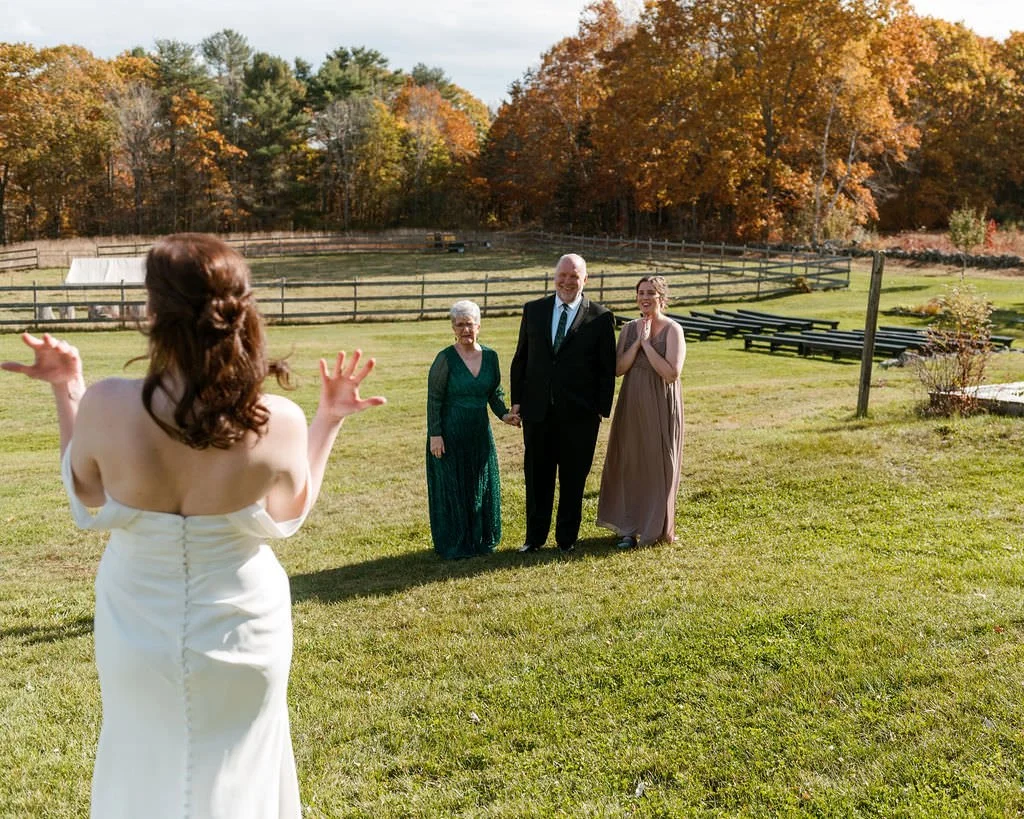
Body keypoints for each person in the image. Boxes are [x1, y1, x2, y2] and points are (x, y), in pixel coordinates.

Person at [1, 233, 385, 819]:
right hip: (245, 627)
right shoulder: (277, 419)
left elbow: (86, 500)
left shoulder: (104, 404)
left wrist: (68, 388)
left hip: (137, 628)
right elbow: (289, 515)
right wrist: (328, 418)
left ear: (154, 314)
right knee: (243, 772)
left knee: (140, 765)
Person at [509, 253, 616, 553]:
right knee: (537, 477)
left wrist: (600, 409)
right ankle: (535, 539)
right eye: (563, 275)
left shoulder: (601, 316)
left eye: (574, 276)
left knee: (573, 480)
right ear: (554, 276)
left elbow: (607, 370)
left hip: (580, 415)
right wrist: (517, 401)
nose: (567, 281)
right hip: (537, 412)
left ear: (585, 280)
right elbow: (522, 359)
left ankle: (566, 539)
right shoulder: (534, 310)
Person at [426, 300, 520, 559]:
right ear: (453, 328)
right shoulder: (445, 359)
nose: (465, 329)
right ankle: (457, 542)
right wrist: (436, 435)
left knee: (480, 484)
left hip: (479, 432)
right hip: (449, 433)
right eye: (460, 325)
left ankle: (479, 539)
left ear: (478, 326)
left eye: (469, 324)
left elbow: (494, 393)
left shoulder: (491, 356)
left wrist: (504, 414)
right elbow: (434, 398)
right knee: (455, 488)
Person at [597, 275, 685, 548]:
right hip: (632, 401)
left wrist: (648, 344)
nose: (645, 298)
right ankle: (628, 527)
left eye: (651, 293)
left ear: (661, 297)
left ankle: (655, 527)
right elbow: (617, 369)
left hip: (662, 402)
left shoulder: (673, 329)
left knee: (660, 464)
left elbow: (671, 373)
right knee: (630, 462)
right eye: (641, 293)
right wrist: (637, 342)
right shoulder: (628, 329)